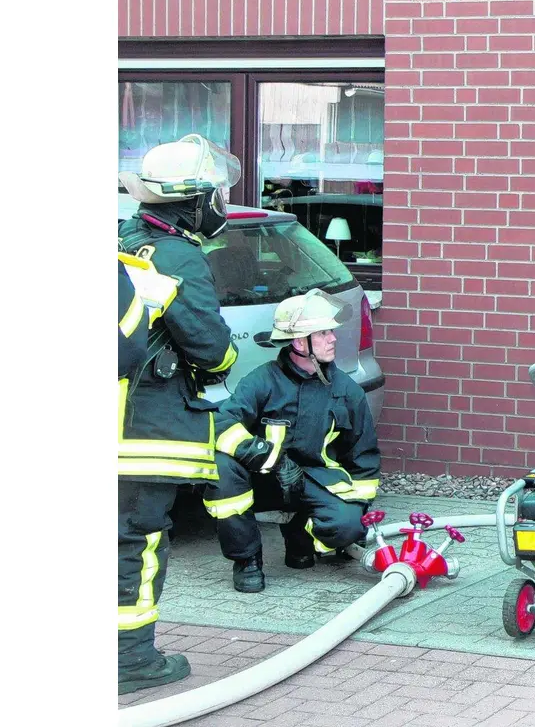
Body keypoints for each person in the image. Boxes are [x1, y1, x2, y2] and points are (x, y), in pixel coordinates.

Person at [116, 135, 242, 693]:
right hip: (145, 435)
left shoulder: (124, 239)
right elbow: (212, 349)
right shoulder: (178, 255)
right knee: (135, 546)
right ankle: (130, 660)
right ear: (190, 201)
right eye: (214, 192)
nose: (221, 201)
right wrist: (228, 357)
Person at [208, 289, 380, 592]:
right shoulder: (262, 380)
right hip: (264, 477)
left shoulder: (347, 391)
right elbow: (221, 424)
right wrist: (269, 457)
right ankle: (246, 559)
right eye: (324, 333)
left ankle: (300, 535)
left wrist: (360, 510)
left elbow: (363, 457)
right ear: (300, 342)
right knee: (221, 468)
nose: (333, 339)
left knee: (350, 527)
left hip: (313, 481)